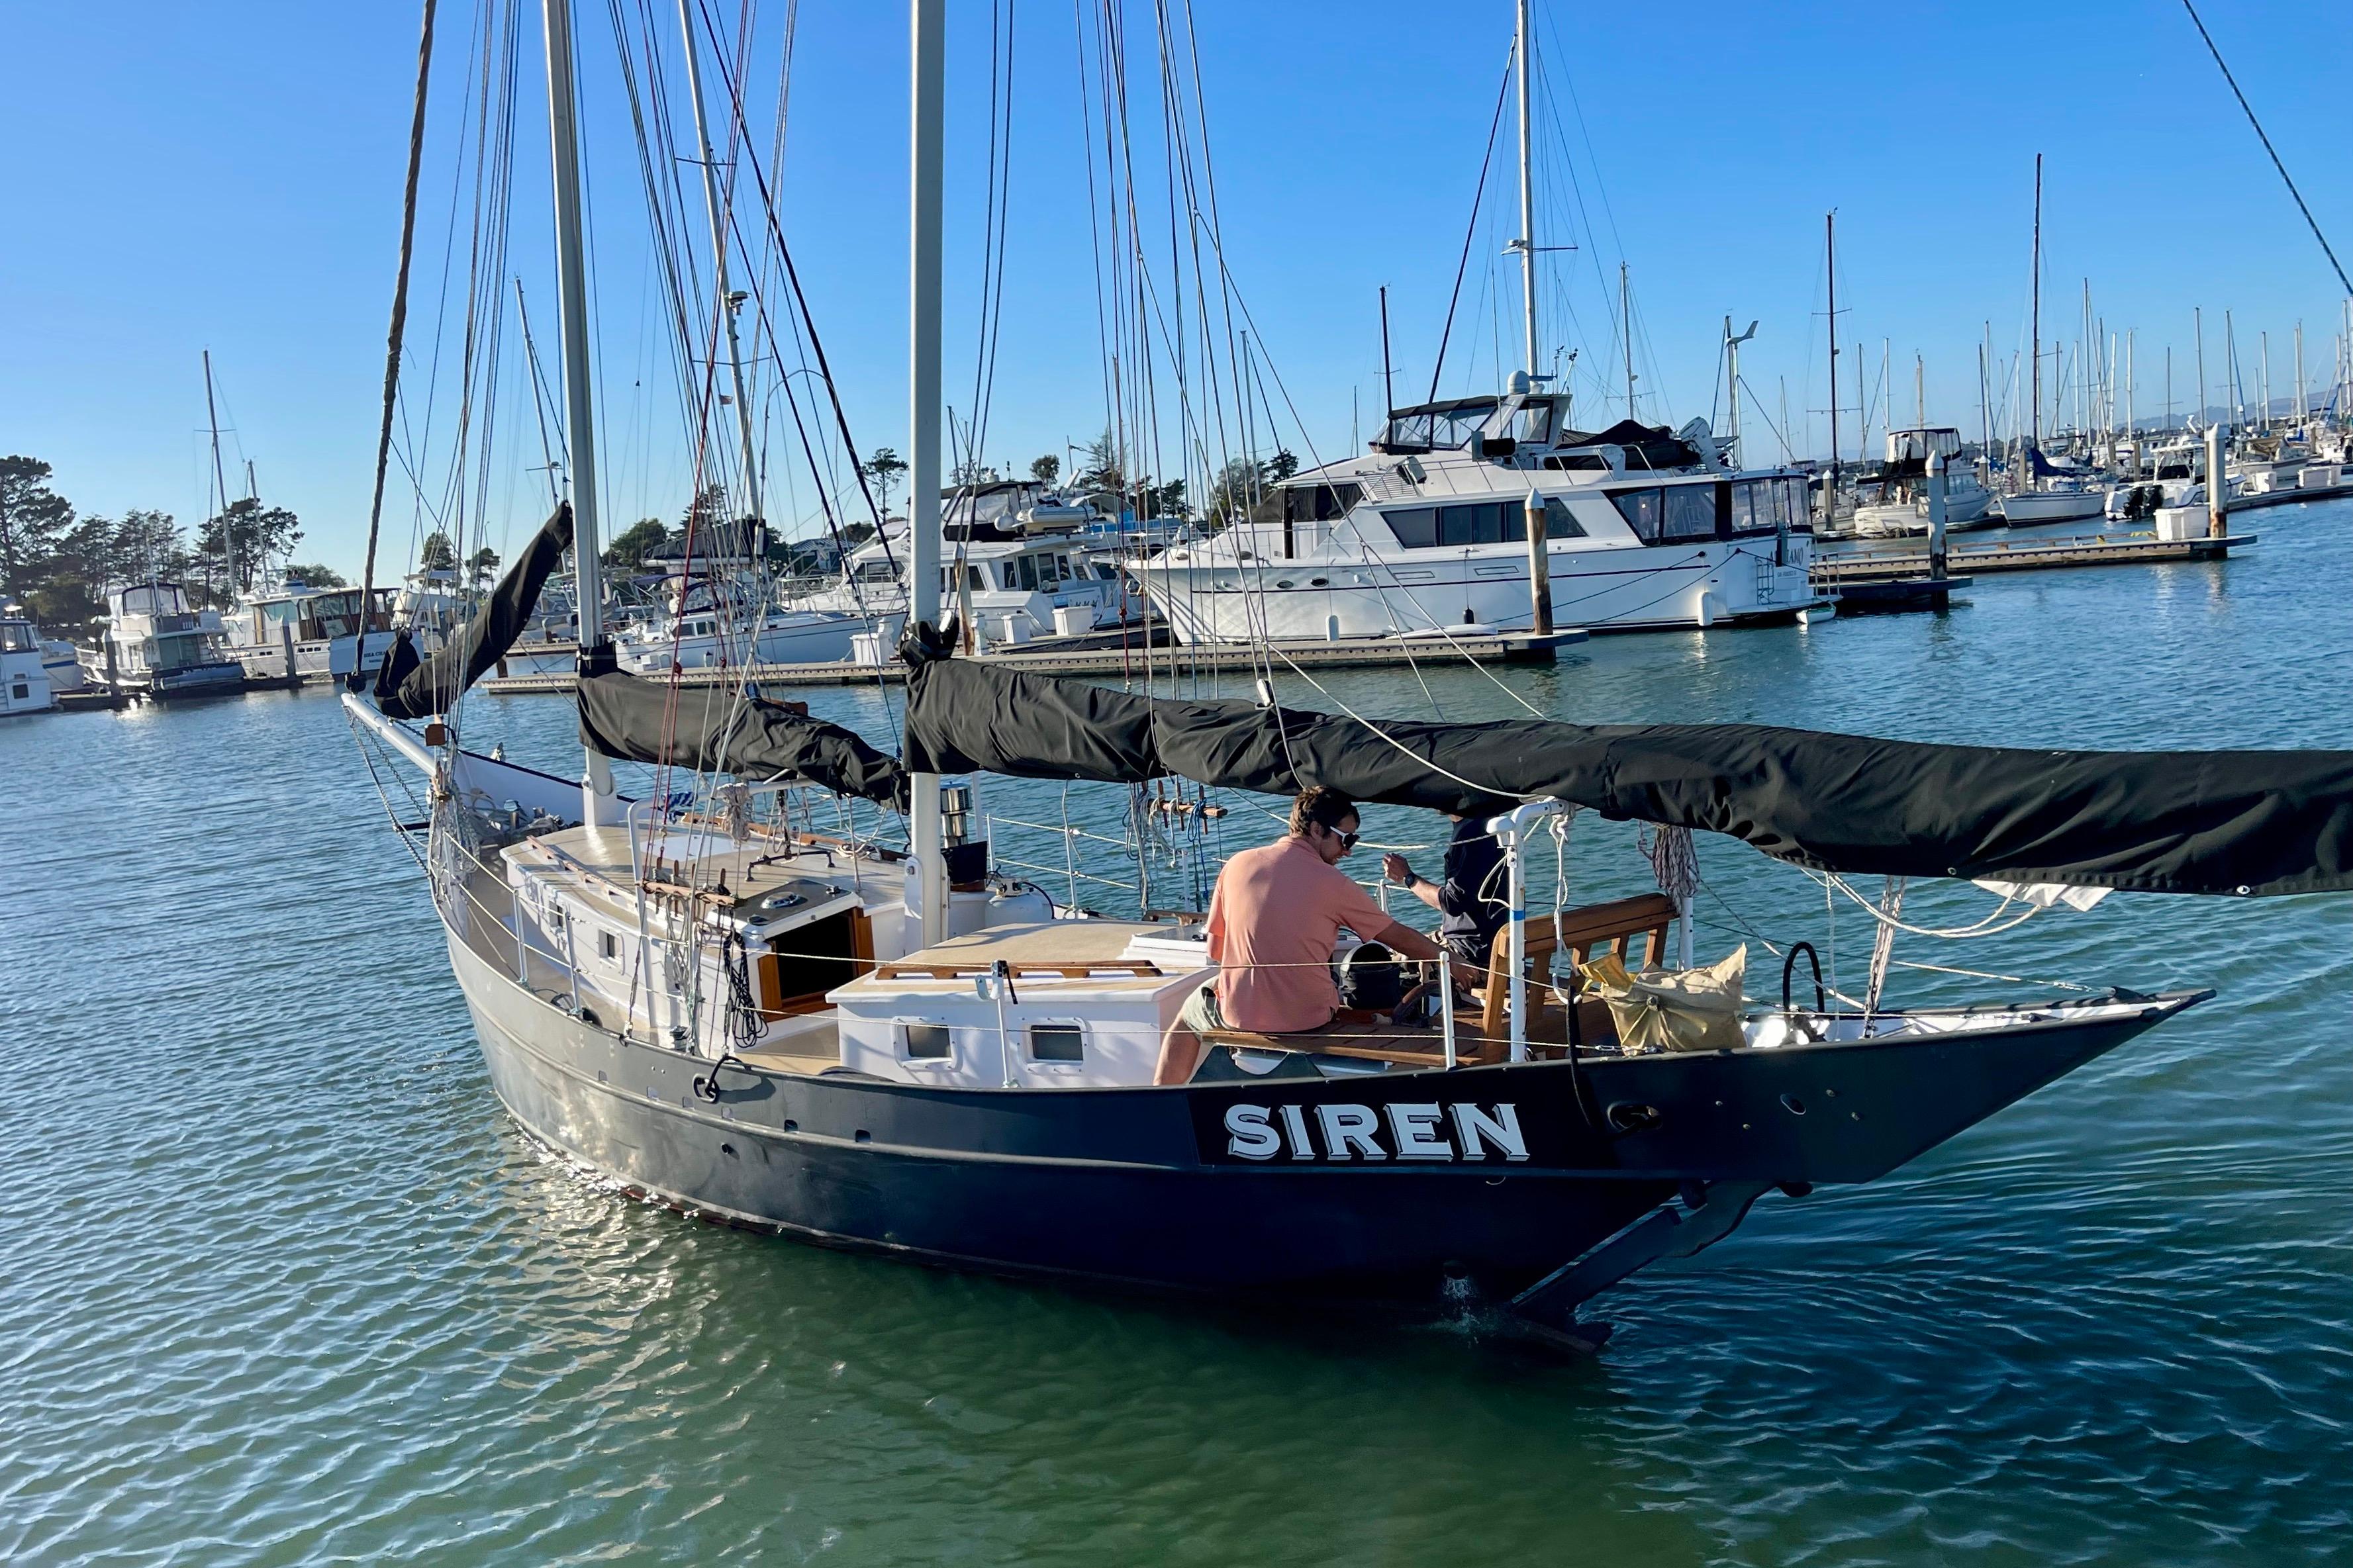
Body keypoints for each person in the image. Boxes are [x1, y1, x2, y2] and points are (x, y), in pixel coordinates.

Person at [1154, 786, 1472, 1085]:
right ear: (1317, 829)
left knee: (1188, 1015)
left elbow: (1219, 952)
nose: (1347, 853)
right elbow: (1397, 937)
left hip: (1239, 1015)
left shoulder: (1236, 864)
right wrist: (1452, 960)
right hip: (1308, 1017)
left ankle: (1163, 1096)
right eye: (1346, 840)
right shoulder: (1334, 884)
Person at [1381, 809, 1509, 968]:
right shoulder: (1484, 824)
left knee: (1383, 965)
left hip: (1469, 950)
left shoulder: (1471, 835)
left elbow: (1452, 902)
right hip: (1476, 939)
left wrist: (1408, 878)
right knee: (1393, 949)